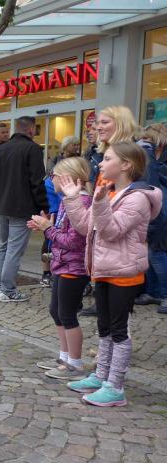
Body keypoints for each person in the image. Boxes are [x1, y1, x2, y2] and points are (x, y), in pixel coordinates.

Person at [58, 142, 162, 407]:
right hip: (103, 270)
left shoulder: (137, 198)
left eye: (107, 159)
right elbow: (86, 227)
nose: (101, 164)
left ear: (126, 164)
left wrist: (101, 202)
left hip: (123, 273)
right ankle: (101, 376)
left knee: (118, 330)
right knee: (104, 328)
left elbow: (112, 231)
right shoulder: (112, 192)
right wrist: (73, 198)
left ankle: (115, 387)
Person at [28, 157, 92, 380]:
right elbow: (62, 233)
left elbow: (74, 242)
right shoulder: (66, 201)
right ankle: (64, 358)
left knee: (67, 314)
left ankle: (75, 363)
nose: (50, 179)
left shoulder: (81, 202)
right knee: (56, 311)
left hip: (74, 267)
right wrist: (45, 226)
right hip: (62, 263)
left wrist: (48, 229)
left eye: (53, 175)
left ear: (67, 178)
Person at [81, 106, 148, 317]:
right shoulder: (102, 155)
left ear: (120, 123)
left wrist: (139, 242)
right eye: (97, 123)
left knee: (117, 322)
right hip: (105, 244)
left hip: (123, 248)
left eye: (104, 122)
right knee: (106, 320)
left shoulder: (136, 153)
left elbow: (148, 195)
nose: (98, 127)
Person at [0, 116, 48, 302]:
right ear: (31, 129)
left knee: (3, 246)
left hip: (1, 206)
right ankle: (7, 289)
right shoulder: (32, 149)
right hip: (21, 208)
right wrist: (43, 207)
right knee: (14, 249)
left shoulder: (0, 149)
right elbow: (37, 181)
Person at [133, 124, 167, 313]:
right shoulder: (151, 154)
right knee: (150, 251)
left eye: (147, 140)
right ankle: (154, 292)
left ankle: (165, 294)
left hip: (162, 207)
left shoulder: (156, 157)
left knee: (157, 252)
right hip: (156, 204)